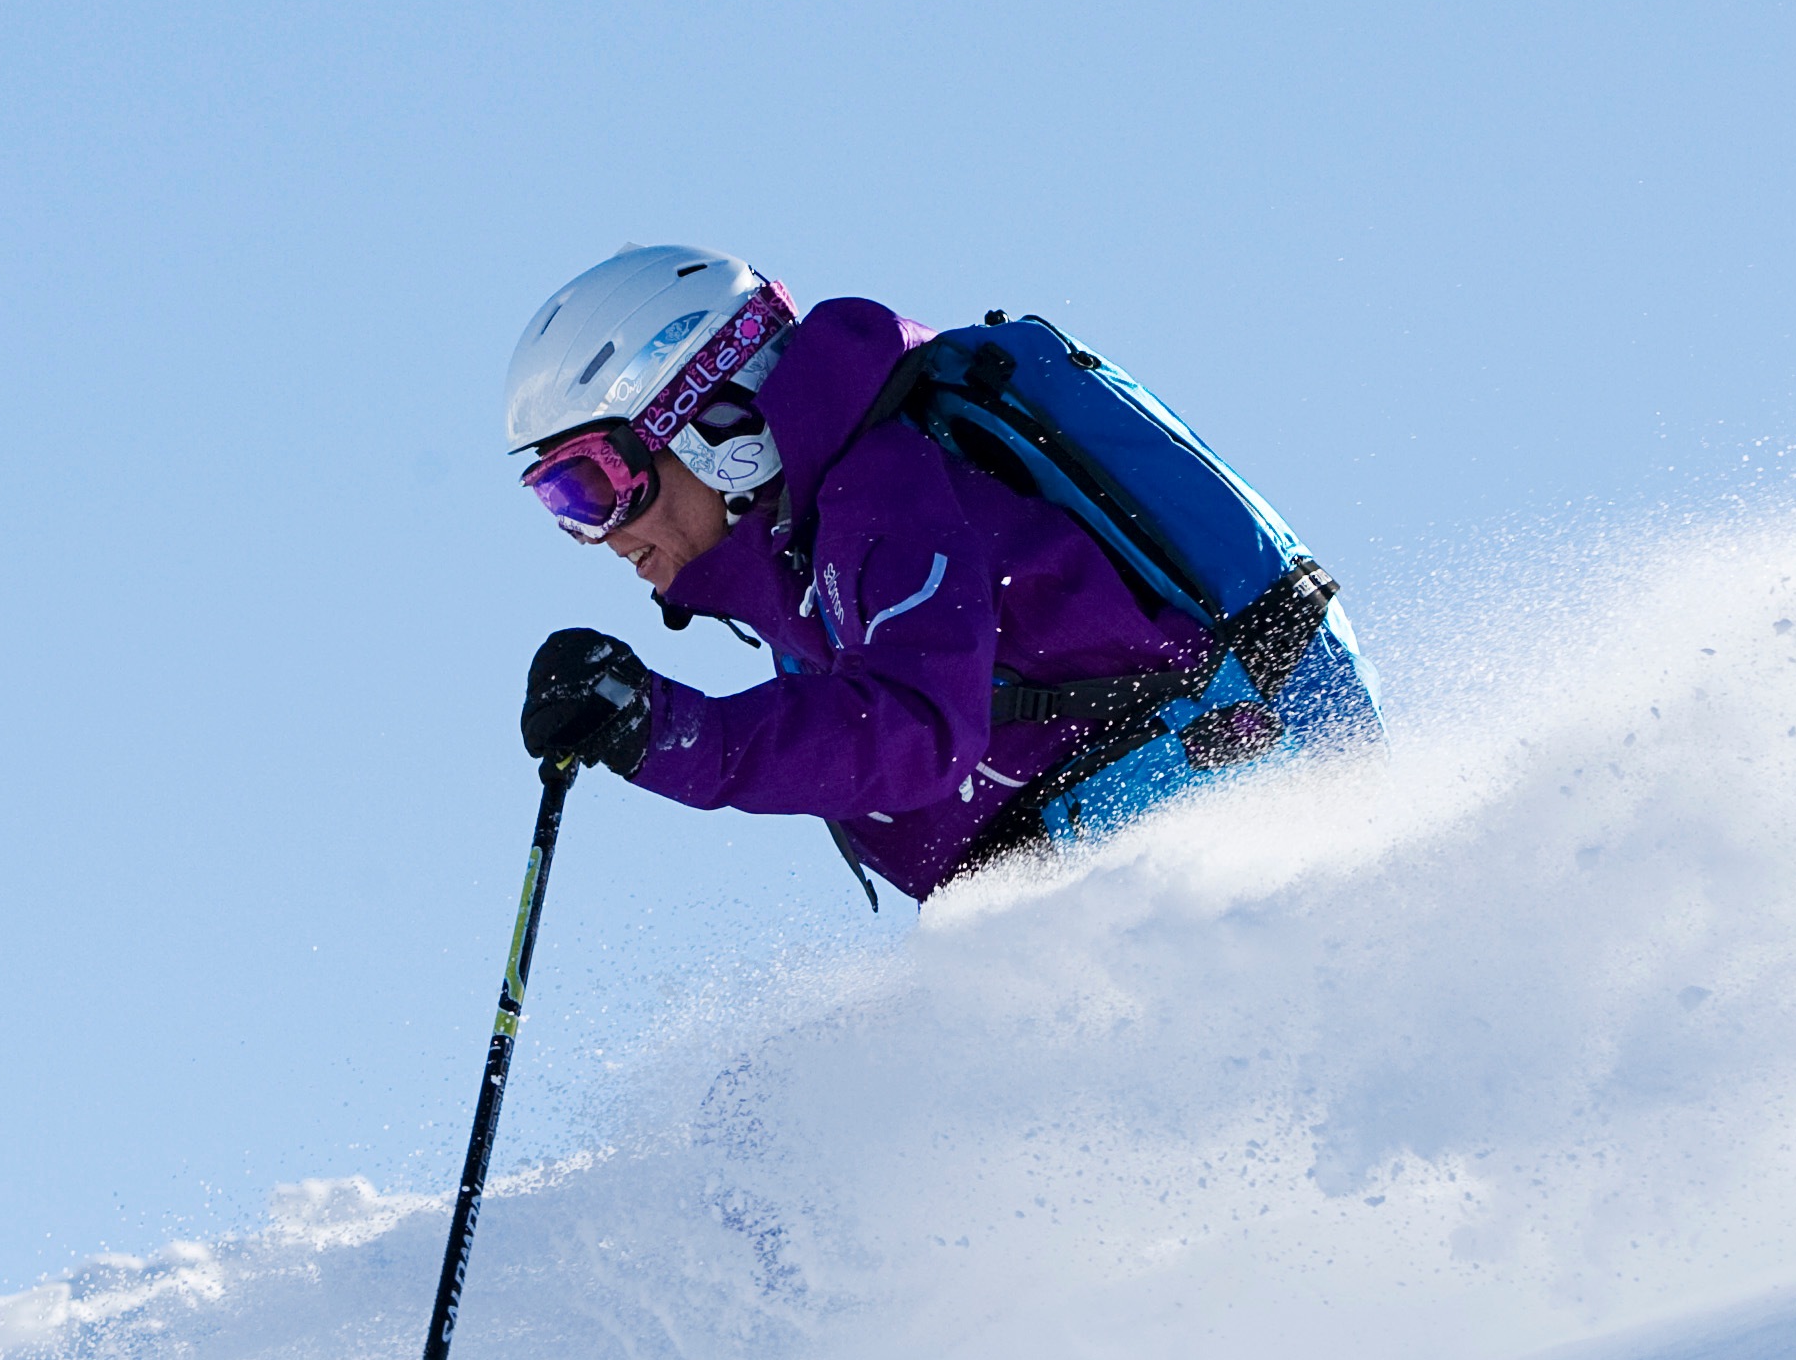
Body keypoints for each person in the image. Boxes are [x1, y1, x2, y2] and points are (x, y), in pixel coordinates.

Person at [500, 247, 1376, 904]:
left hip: (1203, 816)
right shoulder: (806, 567)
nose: (596, 535)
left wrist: (667, 732)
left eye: (593, 485)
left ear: (717, 422)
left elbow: (914, 731)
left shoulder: (885, 497)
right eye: (559, 503)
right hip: (1107, 866)